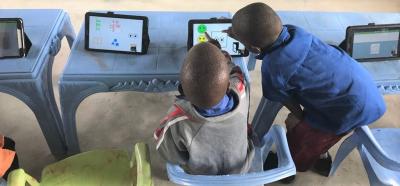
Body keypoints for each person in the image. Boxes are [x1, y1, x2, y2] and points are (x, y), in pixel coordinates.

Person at [224, 2, 386, 180]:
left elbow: (281, 98)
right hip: (363, 89)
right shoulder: (295, 32)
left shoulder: (274, 67)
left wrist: (300, 117)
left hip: (349, 111)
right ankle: (321, 153)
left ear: (254, 49)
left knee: (300, 136)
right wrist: (239, 34)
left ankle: (291, 167)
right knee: (323, 134)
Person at [154, 41, 255, 175]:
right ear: (228, 86)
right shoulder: (241, 92)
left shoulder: (177, 120)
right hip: (240, 170)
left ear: (183, 90)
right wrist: (222, 55)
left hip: (201, 177)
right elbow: (237, 73)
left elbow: (171, 155)